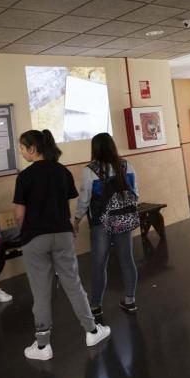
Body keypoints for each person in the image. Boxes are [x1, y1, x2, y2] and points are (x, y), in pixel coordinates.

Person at [14, 129, 111, 361]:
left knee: (41, 291)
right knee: (73, 284)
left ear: (33, 149)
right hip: (63, 235)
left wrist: (25, 230)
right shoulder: (62, 171)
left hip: (35, 238)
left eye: (22, 148)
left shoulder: (25, 177)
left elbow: (19, 214)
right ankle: (92, 331)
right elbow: (65, 206)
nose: (21, 152)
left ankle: (42, 346)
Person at [74, 132, 139, 321]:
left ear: (94, 148)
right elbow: (135, 193)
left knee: (99, 263)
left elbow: (84, 200)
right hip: (124, 219)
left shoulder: (90, 170)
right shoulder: (127, 165)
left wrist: (77, 219)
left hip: (101, 222)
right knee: (127, 259)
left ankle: (95, 305)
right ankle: (130, 299)